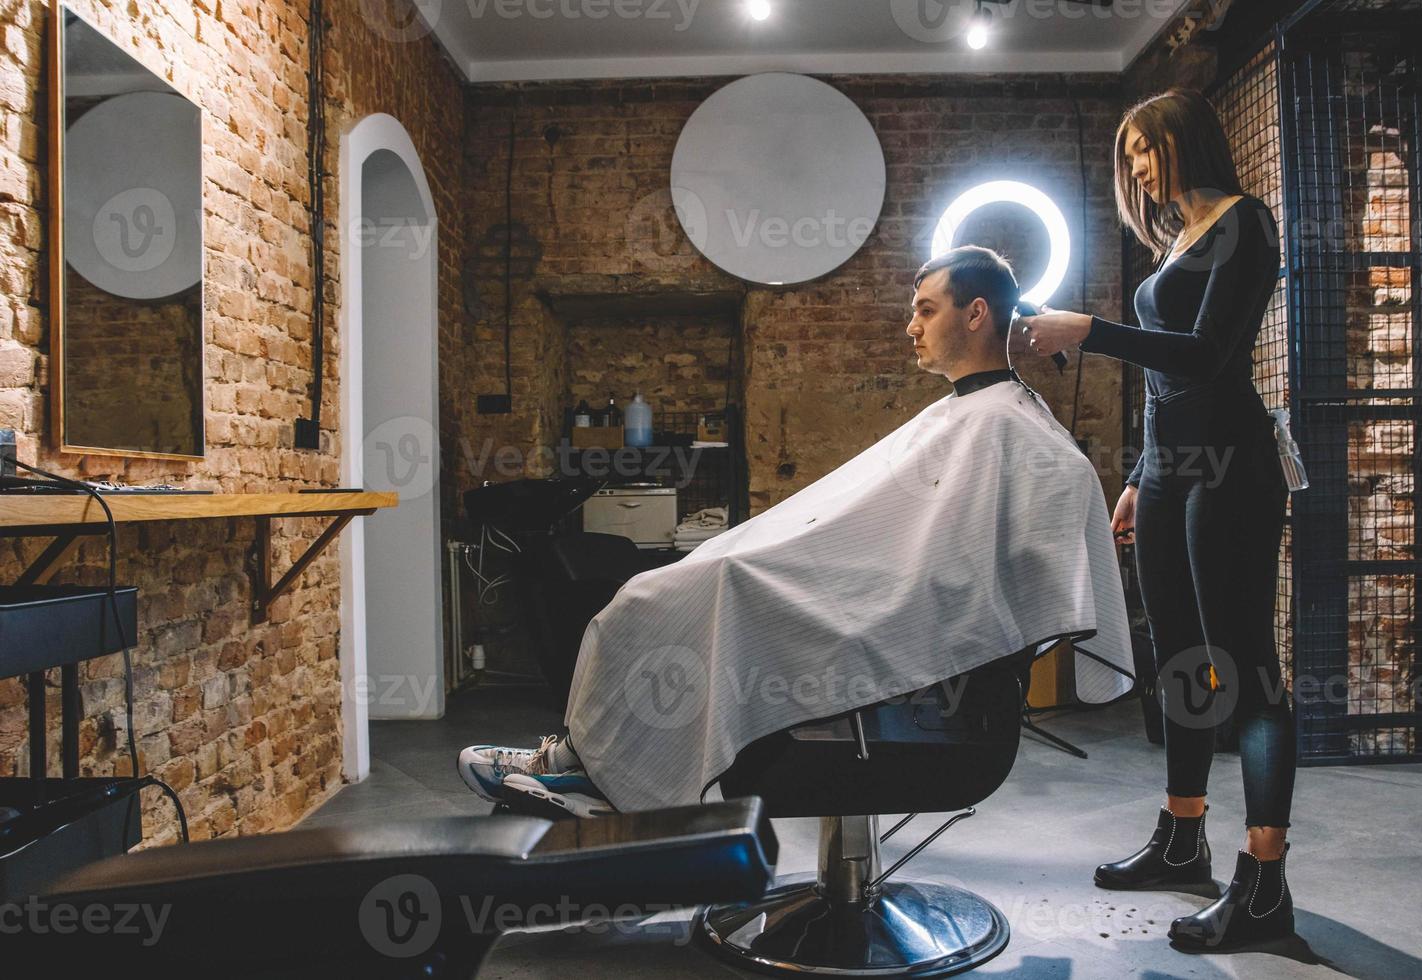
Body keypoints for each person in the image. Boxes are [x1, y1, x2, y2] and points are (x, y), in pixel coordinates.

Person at [460, 246, 1135, 824]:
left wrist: (840, 581)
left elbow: (962, 571)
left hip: (917, 660)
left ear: (977, 312)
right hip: (880, 603)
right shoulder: (972, 417)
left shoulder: (1009, 427)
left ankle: (592, 771)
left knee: (686, 592)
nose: (911, 326)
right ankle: (591, 766)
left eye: (926, 308)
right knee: (671, 589)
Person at [1016, 88, 1294, 951]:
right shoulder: (1175, 239)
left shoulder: (1247, 224)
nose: (1137, 166)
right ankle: (1182, 838)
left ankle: (1263, 885)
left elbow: (1210, 358)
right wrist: (1140, 474)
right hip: (1173, 473)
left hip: (1234, 470)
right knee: (1177, 660)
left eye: (1149, 147)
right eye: (1128, 154)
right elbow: (1165, 385)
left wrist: (1089, 329)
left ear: (1189, 142)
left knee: (1244, 671)